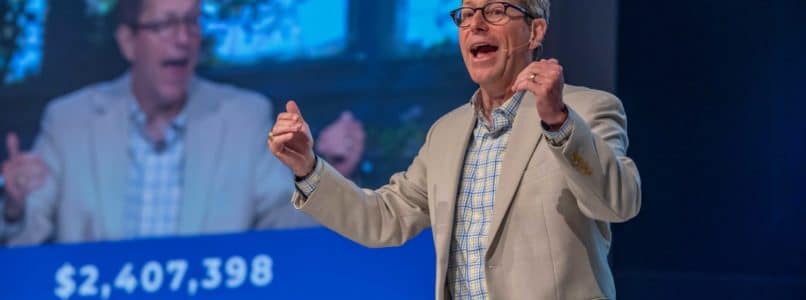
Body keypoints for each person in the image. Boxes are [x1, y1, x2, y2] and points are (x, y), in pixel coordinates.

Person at [267, 0, 641, 299]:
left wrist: (558, 121)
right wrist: (308, 168)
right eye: (466, 14)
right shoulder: (446, 133)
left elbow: (618, 203)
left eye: (495, 11)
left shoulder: (586, 110)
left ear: (535, 31)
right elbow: (382, 219)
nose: (476, 24)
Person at [0, 0, 364, 246]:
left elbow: (285, 229)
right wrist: (13, 205)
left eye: (191, 22)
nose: (183, 38)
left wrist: (325, 176)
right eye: (165, 24)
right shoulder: (70, 122)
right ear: (129, 41)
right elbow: (24, 236)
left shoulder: (244, 116)